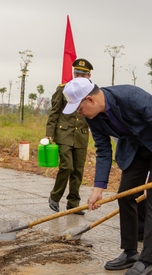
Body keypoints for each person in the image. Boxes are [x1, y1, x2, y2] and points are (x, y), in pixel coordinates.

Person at [62, 77, 152, 275]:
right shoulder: (92, 116)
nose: (79, 114)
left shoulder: (131, 96)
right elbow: (103, 149)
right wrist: (98, 188)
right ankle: (130, 251)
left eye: (79, 109)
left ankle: (147, 261)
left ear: (90, 100)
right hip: (134, 150)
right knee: (125, 195)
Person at [45, 58, 93, 215]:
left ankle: (73, 204)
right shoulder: (64, 89)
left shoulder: (92, 91)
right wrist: (49, 134)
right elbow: (54, 112)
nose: (79, 77)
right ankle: (55, 196)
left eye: (83, 75)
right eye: (77, 74)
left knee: (78, 171)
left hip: (81, 135)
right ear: (73, 74)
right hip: (64, 134)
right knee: (67, 166)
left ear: (89, 75)